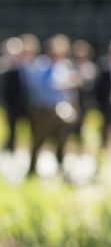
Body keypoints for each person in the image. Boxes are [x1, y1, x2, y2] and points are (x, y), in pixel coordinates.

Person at [25, 34, 78, 176]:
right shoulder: (41, 65)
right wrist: (62, 84)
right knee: (38, 140)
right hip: (44, 110)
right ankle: (32, 168)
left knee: (61, 140)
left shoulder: (65, 66)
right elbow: (40, 86)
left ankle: (60, 168)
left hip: (61, 110)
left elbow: (70, 90)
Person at [1, 34, 39, 154]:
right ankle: (10, 152)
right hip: (12, 106)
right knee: (11, 130)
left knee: (33, 131)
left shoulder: (32, 68)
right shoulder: (7, 70)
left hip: (29, 105)